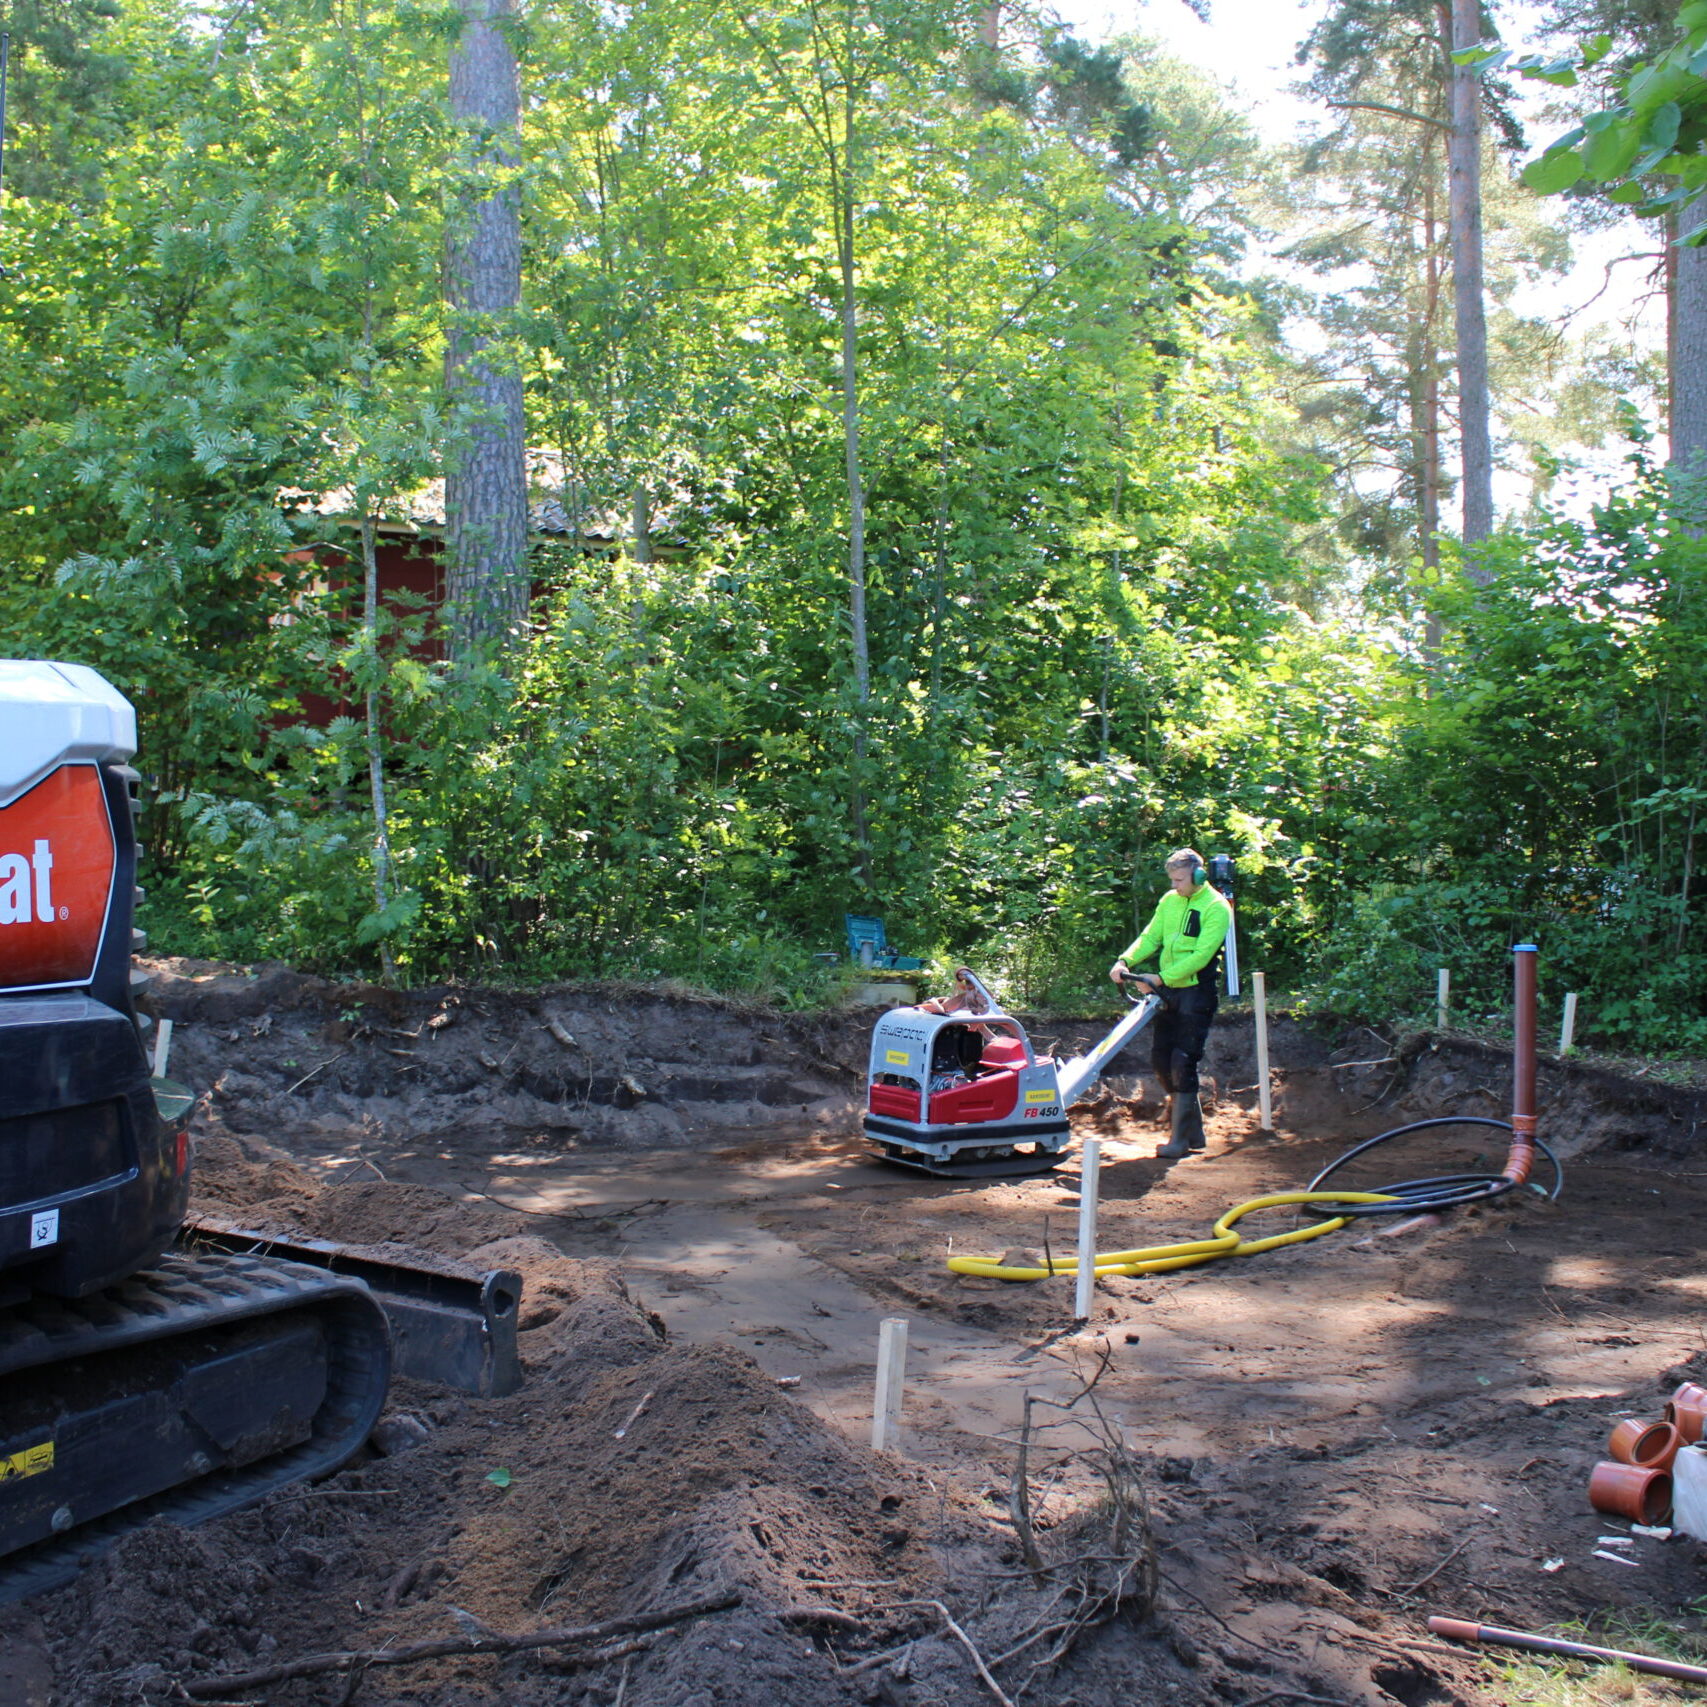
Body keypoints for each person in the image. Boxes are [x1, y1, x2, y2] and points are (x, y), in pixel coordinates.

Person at [1109, 849, 1232, 1159]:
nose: (1175, 886)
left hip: (1196, 993)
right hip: (1167, 993)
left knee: (1182, 1061)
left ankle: (1179, 1141)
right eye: (1172, 880)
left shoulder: (1217, 907)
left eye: (1179, 880)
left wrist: (1160, 978)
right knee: (1161, 1061)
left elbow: (1201, 956)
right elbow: (1151, 937)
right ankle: (1194, 1132)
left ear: (1199, 876)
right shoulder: (1169, 901)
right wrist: (1125, 960)